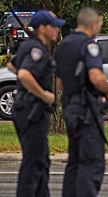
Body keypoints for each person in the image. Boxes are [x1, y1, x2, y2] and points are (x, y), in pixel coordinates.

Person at [55, 7, 108, 197]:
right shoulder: (89, 45)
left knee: (75, 161)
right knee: (91, 162)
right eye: (100, 25)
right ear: (93, 24)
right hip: (87, 111)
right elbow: (96, 77)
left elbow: (59, 83)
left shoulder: (64, 45)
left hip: (71, 109)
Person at [8, 10, 66, 197]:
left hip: (26, 109)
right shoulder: (37, 50)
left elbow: (13, 66)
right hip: (32, 110)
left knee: (41, 160)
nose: (57, 29)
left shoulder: (30, 46)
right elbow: (24, 73)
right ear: (42, 28)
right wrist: (44, 95)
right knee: (33, 162)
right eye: (54, 26)